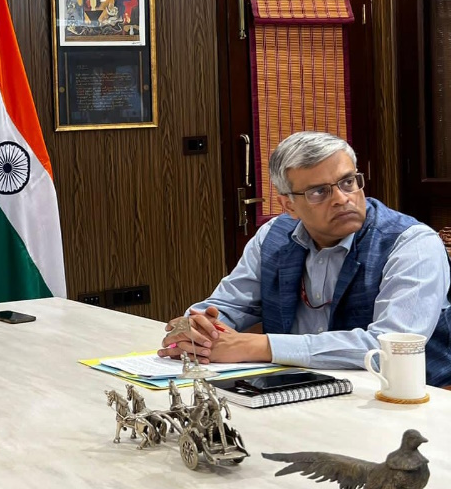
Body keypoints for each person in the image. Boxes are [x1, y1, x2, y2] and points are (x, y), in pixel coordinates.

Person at [159, 131, 451, 387]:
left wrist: (261, 346)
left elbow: (389, 347)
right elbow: (225, 305)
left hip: (403, 401)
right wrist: (195, 330)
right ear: (289, 205)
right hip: (295, 390)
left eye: (348, 182)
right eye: (319, 191)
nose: (341, 198)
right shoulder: (273, 235)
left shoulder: (412, 243)